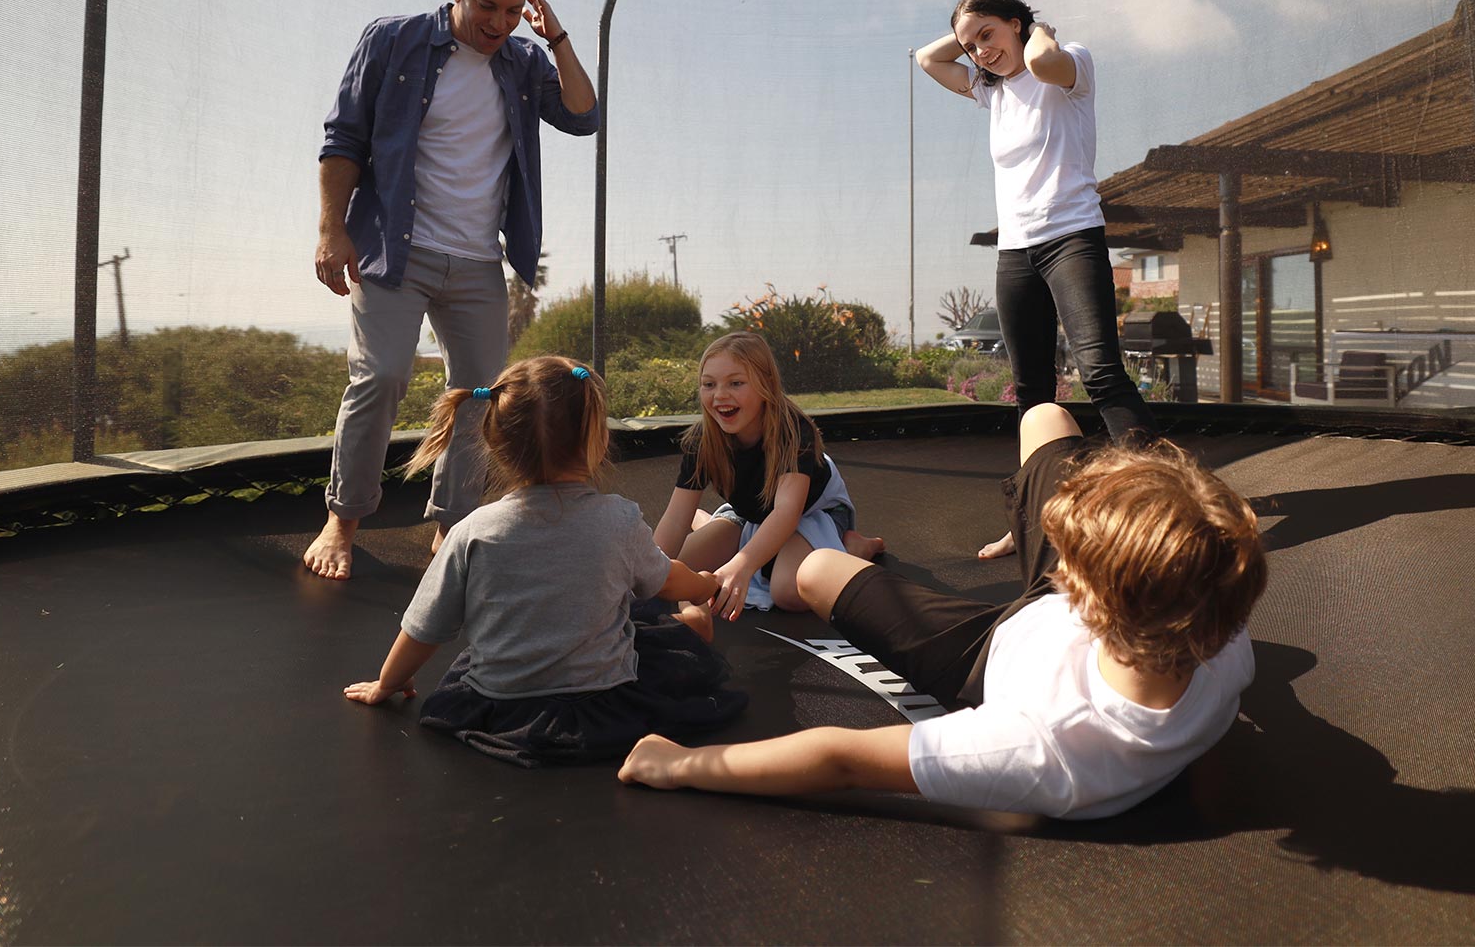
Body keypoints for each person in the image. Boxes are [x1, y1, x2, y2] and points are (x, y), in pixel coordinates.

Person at [618, 403, 1266, 820]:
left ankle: (820, 539)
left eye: (1070, 554)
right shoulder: (1220, 633)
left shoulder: (1043, 748)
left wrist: (678, 765)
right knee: (1044, 417)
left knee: (813, 571)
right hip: (1080, 617)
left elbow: (840, 758)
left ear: (1085, 594)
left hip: (985, 653)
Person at [306, 0, 599, 579]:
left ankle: (450, 526)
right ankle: (342, 517)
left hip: (476, 263)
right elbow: (343, 137)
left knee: (480, 398)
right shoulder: (393, 40)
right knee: (380, 376)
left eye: (511, 8)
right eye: (486, 5)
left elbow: (584, 115)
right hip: (394, 250)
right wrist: (332, 229)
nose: (498, 22)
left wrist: (554, 34)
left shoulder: (522, 62)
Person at [344, 356, 747, 767]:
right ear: (598, 440)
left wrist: (387, 682)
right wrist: (705, 586)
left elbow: (423, 628)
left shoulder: (472, 530)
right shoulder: (618, 518)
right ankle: (691, 624)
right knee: (642, 611)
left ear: (496, 445)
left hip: (501, 706)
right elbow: (670, 582)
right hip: (605, 698)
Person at [915, 0, 1155, 558]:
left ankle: (1162, 507)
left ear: (1018, 22)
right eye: (971, 45)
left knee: (1100, 373)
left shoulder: (1071, 66)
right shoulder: (989, 91)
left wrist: (1030, 28)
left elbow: (1044, 60)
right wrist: (973, 31)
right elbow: (928, 59)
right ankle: (1035, 518)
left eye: (989, 36)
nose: (979, 52)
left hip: (1071, 237)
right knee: (1032, 394)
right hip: (1016, 252)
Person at [653, 331, 885, 620]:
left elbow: (787, 513)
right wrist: (647, 573)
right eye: (708, 384)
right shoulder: (702, 440)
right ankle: (712, 523)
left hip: (810, 513)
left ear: (766, 385)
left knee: (788, 591)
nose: (720, 395)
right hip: (751, 515)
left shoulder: (792, 431)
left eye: (736, 383)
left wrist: (742, 565)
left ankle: (854, 548)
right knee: (674, 571)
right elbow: (676, 519)